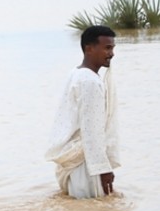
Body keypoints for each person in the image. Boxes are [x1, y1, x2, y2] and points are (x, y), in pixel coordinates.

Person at [45, 25, 120, 198]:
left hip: (77, 158)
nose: (112, 53)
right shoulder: (90, 82)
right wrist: (103, 168)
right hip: (86, 163)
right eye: (107, 48)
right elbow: (92, 130)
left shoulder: (77, 73)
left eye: (113, 48)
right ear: (89, 48)